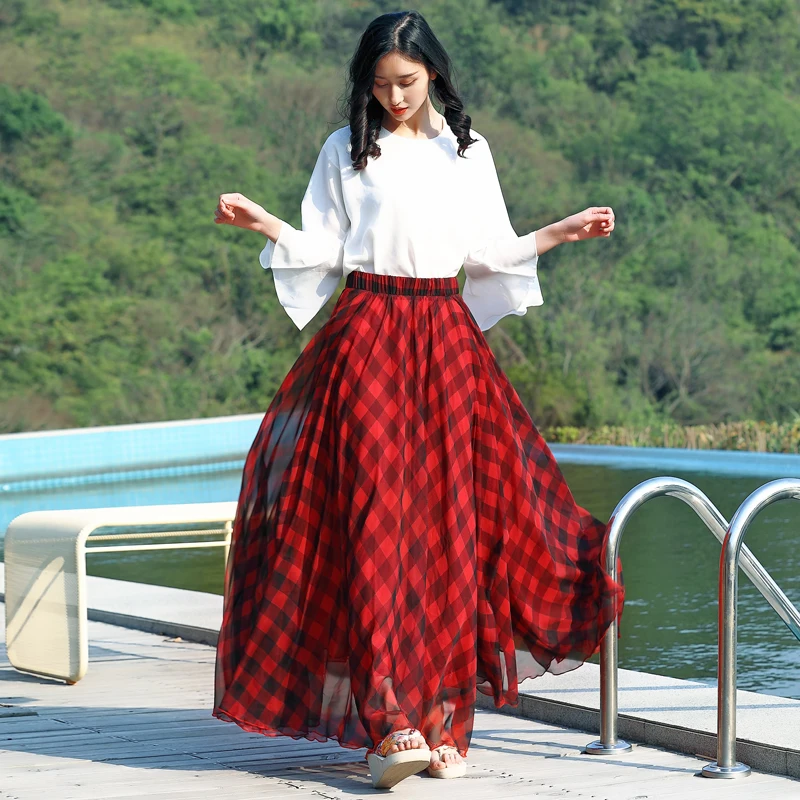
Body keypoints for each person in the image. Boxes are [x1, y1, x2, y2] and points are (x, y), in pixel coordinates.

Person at [211, 9, 624, 790]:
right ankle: (390, 717)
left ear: (433, 72)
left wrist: (558, 234)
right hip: (367, 335)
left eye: (405, 81)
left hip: (445, 338)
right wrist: (262, 221)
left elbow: (486, 251)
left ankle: (444, 722)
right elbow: (326, 250)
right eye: (379, 85)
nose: (393, 97)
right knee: (374, 524)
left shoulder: (466, 151)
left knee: (448, 531)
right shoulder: (346, 148)